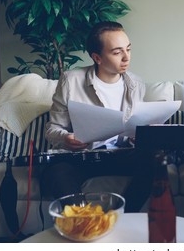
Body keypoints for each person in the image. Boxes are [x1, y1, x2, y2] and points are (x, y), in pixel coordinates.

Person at [42, 21, 153, 212]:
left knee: (155, 161)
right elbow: (52, 129)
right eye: (117, 52)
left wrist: (140, 137)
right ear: (97, 57)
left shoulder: (136, 84)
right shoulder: (71, 81)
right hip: (84, 157)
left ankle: (122, 216)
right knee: (56, 171)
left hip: (121, 155)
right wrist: (66, 139)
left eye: (128, 49)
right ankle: (83, 220)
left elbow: (135, 125)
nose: (126, 57)